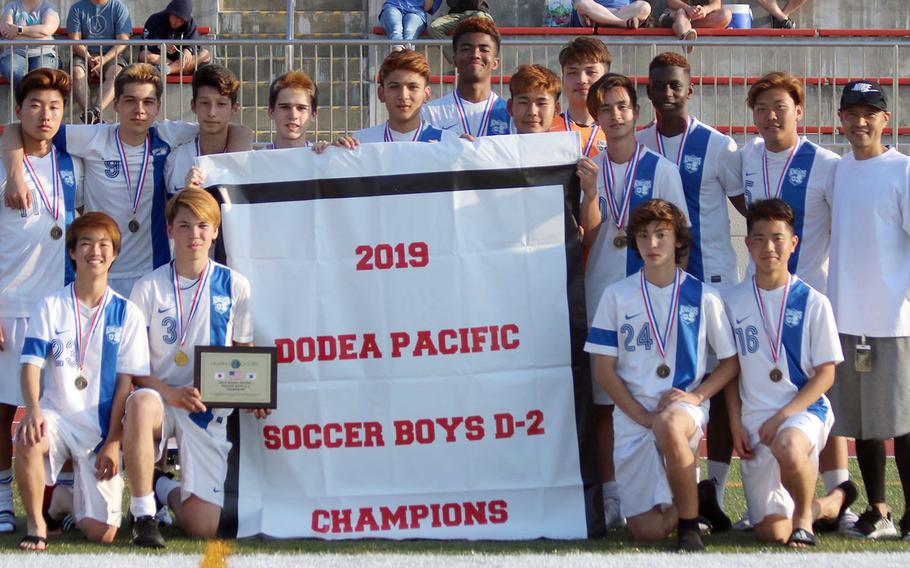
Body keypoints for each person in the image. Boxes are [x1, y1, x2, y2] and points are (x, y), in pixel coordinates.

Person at [1, 63, 251, 298]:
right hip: (99, 272)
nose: (139, 110)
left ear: (158, 107)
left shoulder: (168, 135)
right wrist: (14, 175)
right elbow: (17, 128)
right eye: (130, 101)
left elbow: (236, 130)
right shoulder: (92, 138)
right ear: (116, 104)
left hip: (152, 273)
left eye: (148, 102)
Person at [737, 71, 856, 534]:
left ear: (799, 111)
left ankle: (840, 493)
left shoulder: (827, 164)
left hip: (809, 294)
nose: (771, 116)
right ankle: (774, 501)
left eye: (780, 107)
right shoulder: (745, 157)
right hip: (760, 294)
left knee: (823, 393)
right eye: (762, 108)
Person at [584, 198, 738, 550]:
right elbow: (604, 371)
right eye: (643, 236)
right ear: (635, 243)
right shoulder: (616, 296)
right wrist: (641, 415)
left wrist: (698, 397)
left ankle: (689, 528)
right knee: (645, 532)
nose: (652, 244)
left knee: (670, 424)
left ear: (678, 240)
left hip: (683, 405)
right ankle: (698, 497)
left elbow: (730, 362)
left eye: (661, 235)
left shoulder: (705, 296)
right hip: (634, 415)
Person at [635, 53, 743, 532]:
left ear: (690, 88)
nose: (667, 93)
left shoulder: (720, 146)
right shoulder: (638, 143)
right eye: (658, 86)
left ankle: (714, 489)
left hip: (712, 278)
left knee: (720, 385)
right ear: (649, 91)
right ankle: (673, 491)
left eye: (675, 85)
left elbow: (746, 205)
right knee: (668, 384)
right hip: (659, 284)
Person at [576, 72, 688, 530]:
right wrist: (589, 192)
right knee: (605, 403)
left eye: (623, 106)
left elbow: (680, 238)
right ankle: (612, 495)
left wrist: (675, 302)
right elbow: (590, 231)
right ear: (595, 117)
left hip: (652, 302)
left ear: (636, 113)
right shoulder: (588, 166)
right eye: (606, 108)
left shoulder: (661, 169)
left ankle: (669, 491)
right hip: (603, 292)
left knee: (655, 396)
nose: (615, 115)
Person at [123, 188, 263, 548]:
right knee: (139, 404)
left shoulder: (236, 285)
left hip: (205, 408)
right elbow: (134, 367)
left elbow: (243, 350)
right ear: (170, 230)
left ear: (216, 231)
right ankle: (142, 515)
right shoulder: (147, 287)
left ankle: (161, 485)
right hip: (162, 399)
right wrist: (170, 393)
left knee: (202, 528)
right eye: (184, 226)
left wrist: (255, 391)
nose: (194, 235)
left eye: (203, 226)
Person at [723, 198, 857, 546]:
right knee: (770, 533)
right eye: (760, 238)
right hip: (755, 419)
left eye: (778, 238)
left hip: (803, 412)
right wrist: (737, 423)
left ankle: (804, 522)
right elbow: (731, 370)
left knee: (788, 444)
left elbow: (826, 375)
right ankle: (829, 504)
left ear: (793, 243)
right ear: (747, 243)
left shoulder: (814, 301)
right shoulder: (732, 301)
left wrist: (782, 415)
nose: (769, 247)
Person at [15, 212, 149, 550]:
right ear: (72, 252)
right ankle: (36, 526)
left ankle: (62, 501)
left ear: (115, 253)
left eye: (104, 245)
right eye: (86, 244)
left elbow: (125, 385)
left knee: (101, 532)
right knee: (29, 434)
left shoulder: (127, 312)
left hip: (99, 430)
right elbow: (30, 365)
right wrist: (32, 410)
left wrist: (114, 442)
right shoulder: (51, 305)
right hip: (57, 417)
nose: (95, 252)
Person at [0, 68, 82, 537]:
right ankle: (3, 503)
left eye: (54, 107)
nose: (45, 115)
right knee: (2, 408)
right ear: (18, 111)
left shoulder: (73, 160)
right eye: (35, 105)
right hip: (10, 303)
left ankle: (62, 499)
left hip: (57, 309)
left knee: (63, 406)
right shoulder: (4, 157)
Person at [827, 79, 910, 540]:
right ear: (840, 119)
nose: (860, 122)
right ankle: (879, 510)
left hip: (893, 320)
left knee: (903, 420)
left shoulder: (902, 170)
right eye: (851, 113)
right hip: (847, 317)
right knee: (864, 425)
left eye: (869, 113)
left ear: (885, 119)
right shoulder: (838, 170)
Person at [336, 50, 457, 145]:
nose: (403, 96)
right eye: (394, 87)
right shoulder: (360, 141)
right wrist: (328, 153)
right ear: (381, 93)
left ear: (426, 94)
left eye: (412, 87)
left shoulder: (447, 142)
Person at [422, 16, 512, 137]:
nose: (475, 55)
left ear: (495, 62)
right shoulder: (430, 114)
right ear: (454, 60)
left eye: (484, 50)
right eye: (466, 49)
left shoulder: (511, 114)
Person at [169, 64, 250, 194]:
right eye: (205, 103)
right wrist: (188, 195)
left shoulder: (247, 159)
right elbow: (167, 212)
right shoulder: (175, 159)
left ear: (234, 108)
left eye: (221, 104)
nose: (212, 113)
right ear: (193, 105)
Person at [66, 0, 132, 124]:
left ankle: (95, 111)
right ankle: (90, 115)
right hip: (84, 54)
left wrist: (105, 59)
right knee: (76, 72)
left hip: (111, 54)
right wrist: (89, 58)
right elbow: (74, 41)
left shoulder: (119, 7)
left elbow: (123, 40)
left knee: (117, 73)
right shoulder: (77, 8)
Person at [549, 37, 610, 159]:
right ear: (563, 79)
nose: (582, 80)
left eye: (591, 72)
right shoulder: (546, 129)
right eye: (572, 73)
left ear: (606, 78)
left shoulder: (615, 130)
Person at [138, 0, 211, 76]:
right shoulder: (154, 20)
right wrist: (161, 46)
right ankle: (181, 69)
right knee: (144, 55)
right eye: (176, 17)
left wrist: (188, 50)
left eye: (181, 20)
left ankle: (168, 69)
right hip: (161, 59)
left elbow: (194, 42)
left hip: (181, 59)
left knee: (205, 54)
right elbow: (145, 45)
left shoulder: (190, 23)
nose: (178, 22)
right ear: (170, 13)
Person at [0, 0, 59, 86]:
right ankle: (26, 98)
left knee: (41, 75)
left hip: (44, 53)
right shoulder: (11, 6)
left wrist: (18, 30)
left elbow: (47, 29)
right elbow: (5, 29)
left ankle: (31, 98)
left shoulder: (49, 7)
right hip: (14, 53)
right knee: (13, 69)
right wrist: (37, 35)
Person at [264, 70, 319, 150]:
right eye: (285, 107)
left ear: (313, 114)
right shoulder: (255, 160)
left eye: (301, 108)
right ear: (271, 111)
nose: (293, 115)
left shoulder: (325, 158)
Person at [426, 0, 493, 64]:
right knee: (434, 27)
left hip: (477, 11)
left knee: (481, 20)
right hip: (456, 14)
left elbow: (475, 3)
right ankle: (459, 60)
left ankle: (481, 61)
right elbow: (452, 4)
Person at [507, 64, 561, 134]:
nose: (532, 112)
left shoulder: (570, 144)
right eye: (524, 102)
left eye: (541, 103)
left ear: (556, 109)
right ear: (510, 107)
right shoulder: (494, 144)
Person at [657, 1, 732, 43]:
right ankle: (685, 37)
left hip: (698, 17)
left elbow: (716, 3)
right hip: (675, 13)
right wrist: (687, 8)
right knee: (681, 13)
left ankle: (684, 27)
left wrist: (705, 10)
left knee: (725, 14)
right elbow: (671, 1)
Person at [571, 0, 652, 29]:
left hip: (596, 20)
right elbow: (580, 5)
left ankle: (602, 22)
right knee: (582, 3)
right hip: (591, 16)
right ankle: (620, 22)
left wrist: (601, 16)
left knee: (645, 7)